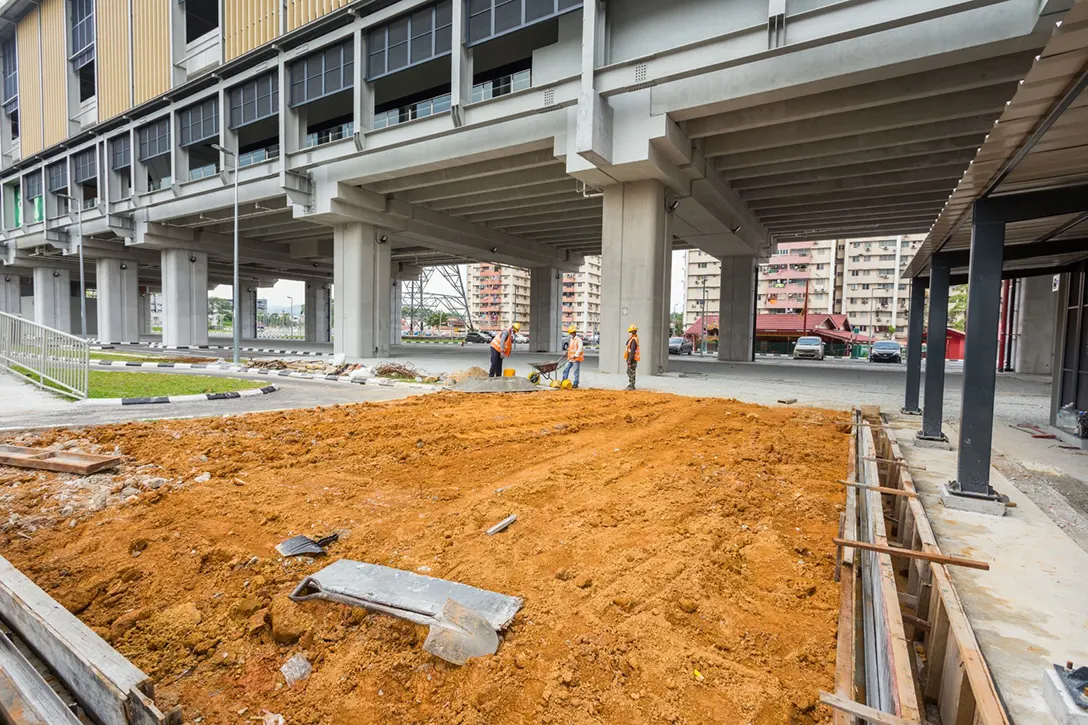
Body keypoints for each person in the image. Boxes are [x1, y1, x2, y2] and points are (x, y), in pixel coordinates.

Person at [624, 324, 639, 390]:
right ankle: (631, 384)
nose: (629, 333)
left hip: (632, 359)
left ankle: (632, 385)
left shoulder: (633, 340)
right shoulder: (632, 339)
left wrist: (629, 360)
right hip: (631, 358)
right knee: (629, 371)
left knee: (631, 372)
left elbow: (632, 351)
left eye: (630, 332)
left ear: (633, 332)